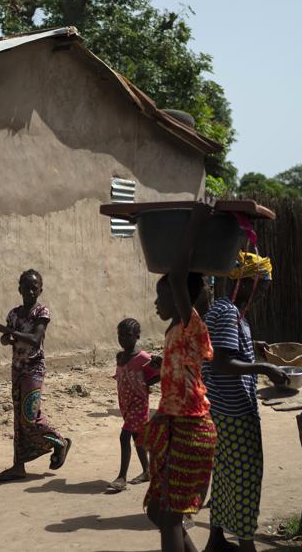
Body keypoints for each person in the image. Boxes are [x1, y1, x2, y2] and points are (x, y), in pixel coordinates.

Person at [143, 204, 218, 552]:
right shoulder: (176, 330)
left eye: (161, 297)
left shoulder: (192, 326)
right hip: (175, 426)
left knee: (170, 517)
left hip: (190, 428)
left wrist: (196, 225)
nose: (156, 304)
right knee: (159, 511)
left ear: (178, 298)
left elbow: (178, 277)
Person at [201, 253, 288, 552]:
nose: (264, 293)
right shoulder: (227, 313)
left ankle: (215, 540)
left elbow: (227, 348)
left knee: (224, 476)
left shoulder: (228, 311)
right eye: (261, 286)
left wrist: (255, 346)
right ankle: (246, 544)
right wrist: (265, 369)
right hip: (234, 412)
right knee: (246, 479)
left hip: (223, 410)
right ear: (248, 283)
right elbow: (222, 363)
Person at [0, 269, 72, 481]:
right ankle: (18, 466)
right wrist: (6, 338)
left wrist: (9, 333)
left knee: (29, 416)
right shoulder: (14, 314)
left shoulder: (42, 313)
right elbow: (8, 339)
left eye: (34, 287)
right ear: (19, 289)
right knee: (18, 420)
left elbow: (36, 339)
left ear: (40, 290)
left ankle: (60, 442)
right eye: (26, 287)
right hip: (17, 369)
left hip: (34, 370)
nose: (30, 291)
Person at [109, 317, 161, 492]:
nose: (123, 338)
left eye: (127, 335)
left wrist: (146, 383)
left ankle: (121, 477)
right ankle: (147, 471)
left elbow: (159, 373)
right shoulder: (120, 357)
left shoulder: (143, 357)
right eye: (120, 335)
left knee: (124, 436)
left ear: (137, 336)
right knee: (137, 438)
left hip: (139, 403)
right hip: (125, 403)